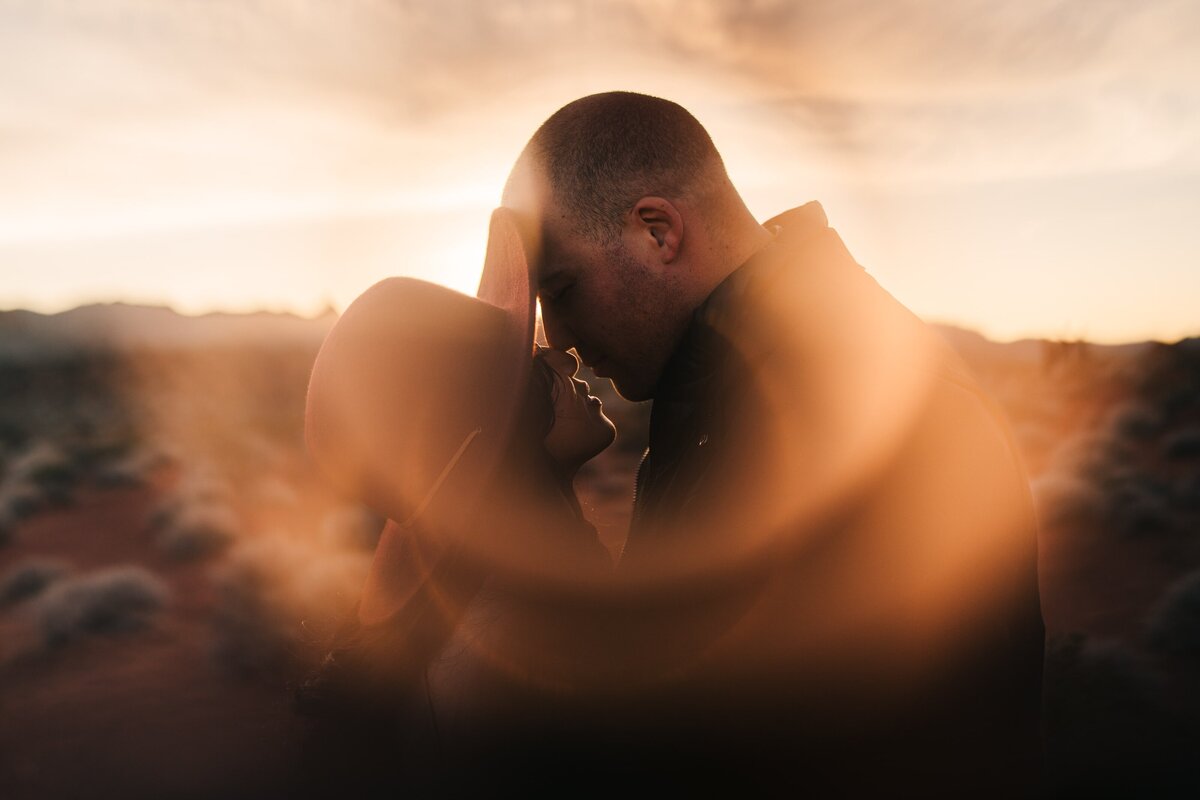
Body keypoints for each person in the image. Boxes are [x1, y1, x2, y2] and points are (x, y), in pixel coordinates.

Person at [501, 92, 1046, 795]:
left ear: (657, 231)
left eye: (564, 287)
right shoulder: (736, 385)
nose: (561, 336)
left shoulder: (833, 408)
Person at [298, 209, 619, 794]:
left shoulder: (520, 590)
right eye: (529, 361)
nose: (563, 356)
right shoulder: (512, 650)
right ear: (488, 429)